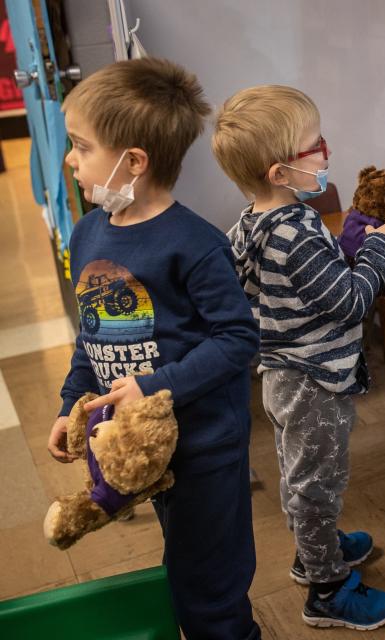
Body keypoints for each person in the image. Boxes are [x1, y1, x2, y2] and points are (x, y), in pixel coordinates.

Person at [49, 58, 261, 639]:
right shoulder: (88, 231)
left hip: (203, 449)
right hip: (139, 447)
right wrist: (72, 404)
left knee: (212, 590)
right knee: (183, 568)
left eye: (80, 146)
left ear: (133, 161)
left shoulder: (195, 245)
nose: (70, 158)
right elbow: (91, 336)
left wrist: (150, 386)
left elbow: (239, 338)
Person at [212, 85, 385, 631]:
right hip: (314, 382)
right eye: (313, 145)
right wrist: (378, 250)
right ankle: (325, 587)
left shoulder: (249, 222)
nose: (326, 150)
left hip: (283, 377)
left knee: (303, 473)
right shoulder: (296, 232)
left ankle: (315, 545)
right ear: (278, 172)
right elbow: (348, 305)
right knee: (316, 483)